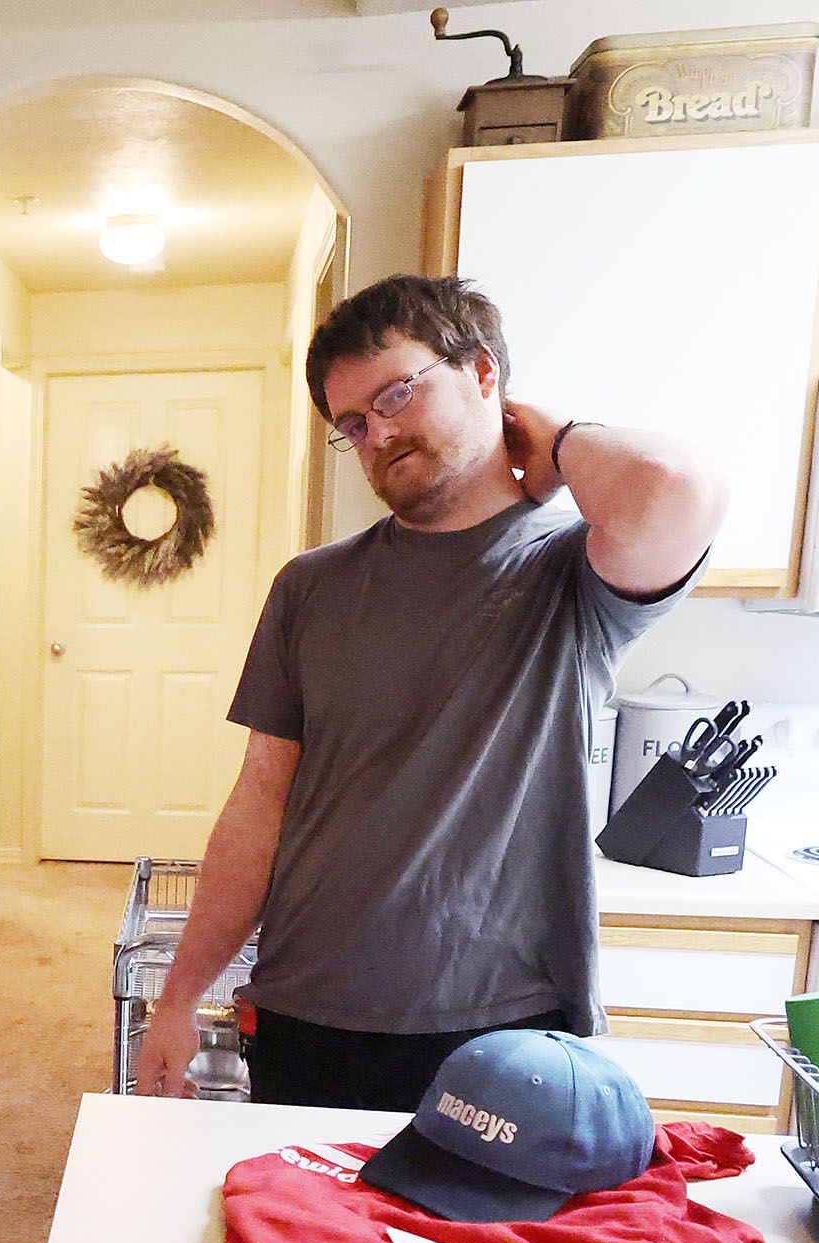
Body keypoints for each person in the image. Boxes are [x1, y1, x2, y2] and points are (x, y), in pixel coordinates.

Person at [132, 273, 727, 1112]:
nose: (376, 433)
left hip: (500, 1025)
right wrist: (179, 997)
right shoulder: (310, 588)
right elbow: (258, 804)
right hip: (304, 1008)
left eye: (398, 393)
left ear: (484, 374)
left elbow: (674, 486)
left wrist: (558, 442)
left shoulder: (568, 574)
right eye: (352, 423)